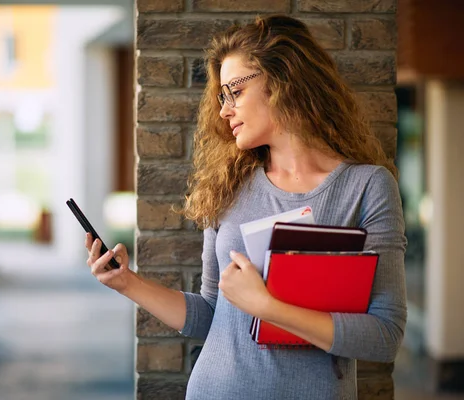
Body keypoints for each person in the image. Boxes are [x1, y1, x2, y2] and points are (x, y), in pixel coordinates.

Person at [85, 14, 406, 400]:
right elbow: (211, 314)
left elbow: (385, 336)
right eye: (221, 96)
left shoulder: (367, 187)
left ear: (283, 80)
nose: (224, 110)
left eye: (234, 91)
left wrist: (267, 307)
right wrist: (128, 283)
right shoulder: (229, 186)